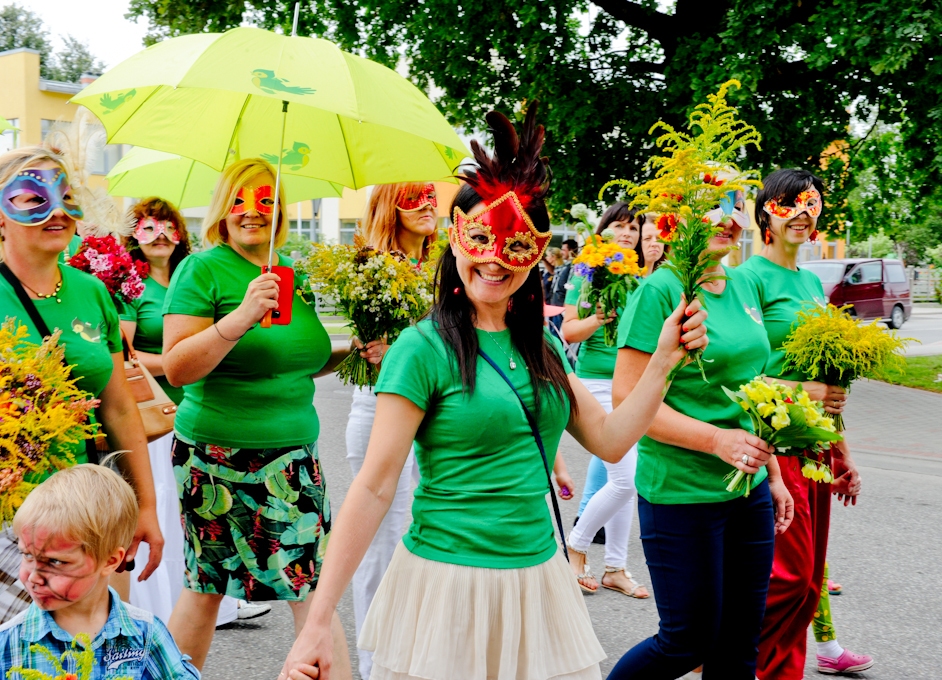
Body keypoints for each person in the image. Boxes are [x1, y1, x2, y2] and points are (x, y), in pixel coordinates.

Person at [280, 105, 708, 680]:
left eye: (515, 245)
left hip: (536, 584)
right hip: (446, 586)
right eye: (480, 236)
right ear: (455, 242)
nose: (494, 260)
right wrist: (318, 619)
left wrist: (663, 361)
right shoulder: (422, 348)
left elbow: (609, 440)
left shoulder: (544, 345)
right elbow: (375, 487)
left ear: (535, 252)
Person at [161, 158, 351, 677]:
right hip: (216, 457)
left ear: (282, 211)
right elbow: (177, 366)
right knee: (207, 589)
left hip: (293, 460)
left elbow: (297, 362)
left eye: (266, 201)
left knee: (308, 584)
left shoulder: (292, 270)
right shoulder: (201, 268)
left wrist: (355, 351)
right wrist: (241, 317)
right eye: (239, 201)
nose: (252, 213)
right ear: (222, 210)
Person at [608, 187, 795, 679]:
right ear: (678, 217)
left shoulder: (742, 285)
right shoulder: (663, 289)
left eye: (736, 205)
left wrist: (772, 472)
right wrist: (716, 441)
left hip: (747, 491)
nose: (727, 217)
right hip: (680, 492)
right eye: (712, 204)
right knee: (686, 643)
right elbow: (627, 400)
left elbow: (749, 386)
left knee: (738, 645)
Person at [0, 146, 163, 625]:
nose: (55, 210)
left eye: (66, 195)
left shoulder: (91, 292)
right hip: (8, 518)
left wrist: (144, 508)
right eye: (32, 198)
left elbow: (117, 409)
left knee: (83, 653)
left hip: (85, 516)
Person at [737, 168, 870, 679]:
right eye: (789, 204)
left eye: (812, 204)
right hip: (773, 444)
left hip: (815, 445)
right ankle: (731, 654)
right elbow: (738, 370)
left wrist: (842, 452)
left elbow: (827, 379)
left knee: (811, 581)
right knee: (788, 580)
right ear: (766, 212)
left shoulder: (813, 282)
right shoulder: (747, 279)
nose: (803, 213)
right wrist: (802, 392)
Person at [121, 198, 256, 627]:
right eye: (147, 227)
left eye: (167, 226)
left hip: (191, 409)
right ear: (133, 235)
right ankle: (155, 609)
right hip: (150, 417)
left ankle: (212, 603)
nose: (159, 235)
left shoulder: (189, 275)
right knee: (155, 507)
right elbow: (124, 354)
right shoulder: (129, 286)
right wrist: (186, 356)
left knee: (190, 519)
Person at [345, 181, 436, 679]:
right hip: (379, 409)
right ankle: (374, 666)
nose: (427, 205)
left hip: (441, 416)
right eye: (412, 198)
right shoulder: (368, 268)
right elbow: (370, 345)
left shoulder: (448, 264)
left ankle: (417, 655)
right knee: (380, 544)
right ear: (389, 207)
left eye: (430, 196)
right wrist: (372, 346)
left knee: (428, 537)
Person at [0, 463, 198, 679]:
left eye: (56, 562)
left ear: (110, 561)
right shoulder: (8, 642)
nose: (34, 577)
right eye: (27, 555)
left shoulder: (145, 634)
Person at [563, 202, 648, 598]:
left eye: (634, 228)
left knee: (626, 481)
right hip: (595, 386)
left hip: (630, 387)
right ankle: (576, 545)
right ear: (604, 230)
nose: (628, 233)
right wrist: (598, 318)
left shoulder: (641, 279)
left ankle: (615, 567)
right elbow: (567, 332)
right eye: (620, 226)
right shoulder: (588, 273)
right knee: (626, 479)